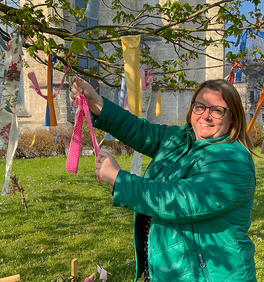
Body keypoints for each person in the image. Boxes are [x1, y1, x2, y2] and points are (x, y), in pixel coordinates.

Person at [71, 77, 257, 282]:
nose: (206, 116)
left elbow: (181, 201)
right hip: (171, 269)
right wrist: (97, 103)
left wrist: (119, 179)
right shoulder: (182, 138)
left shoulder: (233, 162)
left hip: (209, 275)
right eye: (200, 107)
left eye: (217, 110)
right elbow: (141, 132)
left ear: (233, 117)